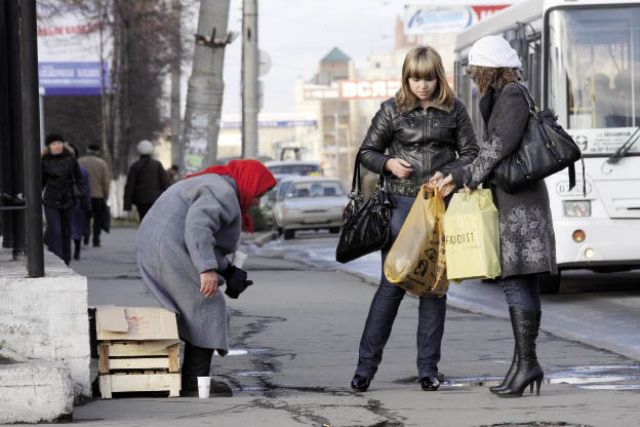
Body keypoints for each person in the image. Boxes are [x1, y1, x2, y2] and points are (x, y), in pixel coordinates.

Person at [434, 35, 556, 397]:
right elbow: (494, 148)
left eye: (475, 72)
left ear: (488, 69)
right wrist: (454, 175)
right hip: (515, 201)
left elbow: (498, 146)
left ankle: (527, 364)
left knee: (517, 280)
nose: (473, 78)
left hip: (522, 206)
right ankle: (522, 365)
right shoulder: (504, 96)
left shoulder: (513, 95)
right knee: (518, 280)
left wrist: (463, 178)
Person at [351, 46, 478, 392]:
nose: (422, 84)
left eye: (429, 77)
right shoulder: (391, 110)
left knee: (433, 288)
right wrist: (389, 164)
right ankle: (365, 369)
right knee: (390, 286)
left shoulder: (455, 110)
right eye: (415, 77)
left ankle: (428, 371)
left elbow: (471, 154)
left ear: (439, 77)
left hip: (439, 208)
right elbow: (366, 152)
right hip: (400, 208)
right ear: (407, 78)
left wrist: (447, 174)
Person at [136, 159, 276, 397]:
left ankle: (188, 378)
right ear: (250, 183)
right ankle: (194, 383)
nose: (257, 202)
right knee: (207, 305)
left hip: (162, 244)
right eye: (258, 194)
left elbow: (205, 240)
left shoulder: (220, 186)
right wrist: (207, 270)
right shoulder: (222, 192)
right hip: (167, 248)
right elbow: (197, 228)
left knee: (199, 307)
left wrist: (229, 272)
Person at [41, 134, 86, 266]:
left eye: (59, 143)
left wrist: (80, 191)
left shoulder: (70, 160)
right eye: (54, 144)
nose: (57, 146)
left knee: (66, 231)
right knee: (55, 230)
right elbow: (40, 182)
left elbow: (79, 178)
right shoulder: (44, 161)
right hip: (51, 200)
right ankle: (56, 258)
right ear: (49, 146)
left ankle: (66, 259)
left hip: (68, 199)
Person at [123, 140, 170, 222]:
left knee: (143, 220)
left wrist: (127, 205)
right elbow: (165, 183)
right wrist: (168, 199)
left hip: (141, 200)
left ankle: (144, 233)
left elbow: (130, 186)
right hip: (155, 199)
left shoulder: (135, 166)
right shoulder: (157, 165)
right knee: (154, 220)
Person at [78, 143, 111, 247]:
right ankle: (96, 240)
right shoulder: (102, 164)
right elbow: (105, 181)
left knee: (85, 217)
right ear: (98, 152)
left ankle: (86, 236)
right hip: (98, 195)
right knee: (98, 219)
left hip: (83, 195)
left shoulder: (80, 162)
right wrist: (106, 194)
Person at [67, 144, 92, 260]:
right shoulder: (82, 169)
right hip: (78, 201)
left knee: (68, 226)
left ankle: (67, 251)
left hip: (68, 201)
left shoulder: (66, 167)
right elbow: (86, 188)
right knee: (77, 226)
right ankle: (76, 250)